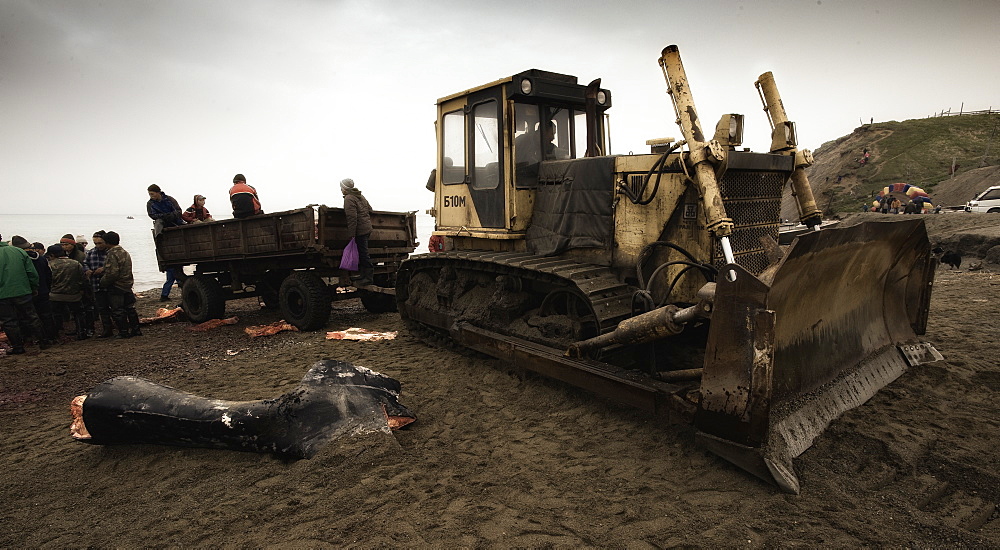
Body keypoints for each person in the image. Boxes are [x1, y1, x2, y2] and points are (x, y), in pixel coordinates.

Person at [0, 232, 51, 354]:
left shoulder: (17, 251)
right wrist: (34, 287)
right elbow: (32, 273)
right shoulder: (18, 251)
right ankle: (43, 342)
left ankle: (18, 347)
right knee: (31, 316)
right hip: (22, 291)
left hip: (2, 294)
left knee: (9, 321)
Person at [12, 237, 58, 342]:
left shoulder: (20, 259)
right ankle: (51, 336)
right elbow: (49, 275)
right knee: (46, 315)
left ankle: (32, 337)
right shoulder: (41, 258)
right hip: (43, 290)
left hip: (28, 291)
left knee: (28, 316)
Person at [99, 231, 141, 338]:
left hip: (117, 285)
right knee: (130, 308)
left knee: (118, 310)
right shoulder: (124, 252)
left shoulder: (112, 254)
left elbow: (112, 273)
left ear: (107, 242)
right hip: (127, 284)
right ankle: (136, 330)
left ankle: (123, 332)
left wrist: (102, 282)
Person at [146, 184, 184, 300]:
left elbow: (178, 211)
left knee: (173, 276)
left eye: (152, 194)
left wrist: (171, 216)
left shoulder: (169, 199)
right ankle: (159, 238)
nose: (151, 196)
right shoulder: (150, 203)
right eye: (149, 194)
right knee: (158, 224)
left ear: (158, 192)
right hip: (161, 221)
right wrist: (163, 217)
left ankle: (170, 293)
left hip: (174, 219)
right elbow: (152, 215)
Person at [46, 244, 88, 340]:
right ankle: (81, 332)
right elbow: (83, 279)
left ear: (52, 255)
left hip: (55, 295)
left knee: (55, 314)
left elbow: (47, 280)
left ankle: (55, 335)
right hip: (73, 295)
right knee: (78, 313)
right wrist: (81, 290)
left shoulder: (50, 265)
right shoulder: (75, 263)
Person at [340, 178, 374, 286]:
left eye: (341, 187)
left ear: (345, 188)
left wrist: (351, 234)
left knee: (363, 254)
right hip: (367, 228)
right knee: (361, 252)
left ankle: (368, 277)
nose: (341, 190)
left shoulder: (349, 198)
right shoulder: (360, 196)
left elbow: (352, 218)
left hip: (360, 230)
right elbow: (370, 209)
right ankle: (363, 275)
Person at [84, 230, 114, 338]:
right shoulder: (91, 252)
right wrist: (87, 270)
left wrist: (104, 269)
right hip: (96, 285)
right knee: (102, 309)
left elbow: (116, 268)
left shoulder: (111, 252)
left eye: (100, 243)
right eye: (96, 243)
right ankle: (107, 330)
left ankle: (119, 327)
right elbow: (85, 263)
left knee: (114, 308)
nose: (98, 245)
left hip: (110, 285)